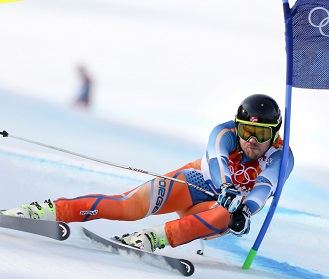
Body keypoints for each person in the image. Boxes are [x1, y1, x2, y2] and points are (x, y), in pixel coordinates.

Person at [1, 94, 295, 253]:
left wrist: (247, 210)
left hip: (215, 208)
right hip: (193, 182)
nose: (252, 140)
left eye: (261, 133)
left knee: (229, 215)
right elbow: (217, 161)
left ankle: (151, 239)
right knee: (127, 207)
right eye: (247, 130)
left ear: (275, 133)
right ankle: (41, 210)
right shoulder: (224, 133)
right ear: (237, 126)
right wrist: (227, 186)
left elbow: (264, 189)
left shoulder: (282, 156)